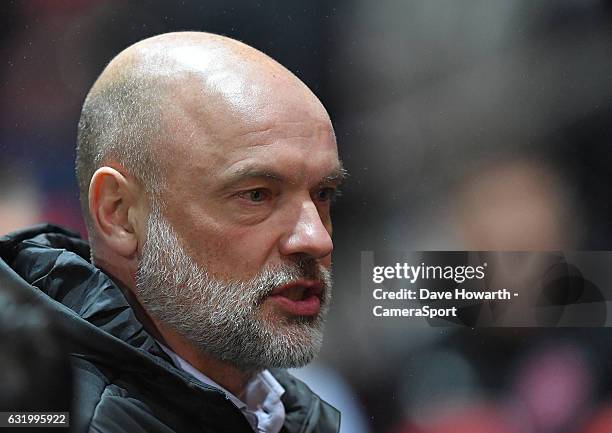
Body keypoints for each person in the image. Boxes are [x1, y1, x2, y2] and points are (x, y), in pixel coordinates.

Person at [0, 31, 343, 433]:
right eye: (256, 195)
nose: (316, 238)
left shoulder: (286, 410)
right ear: (120, 214)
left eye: (323, 193)